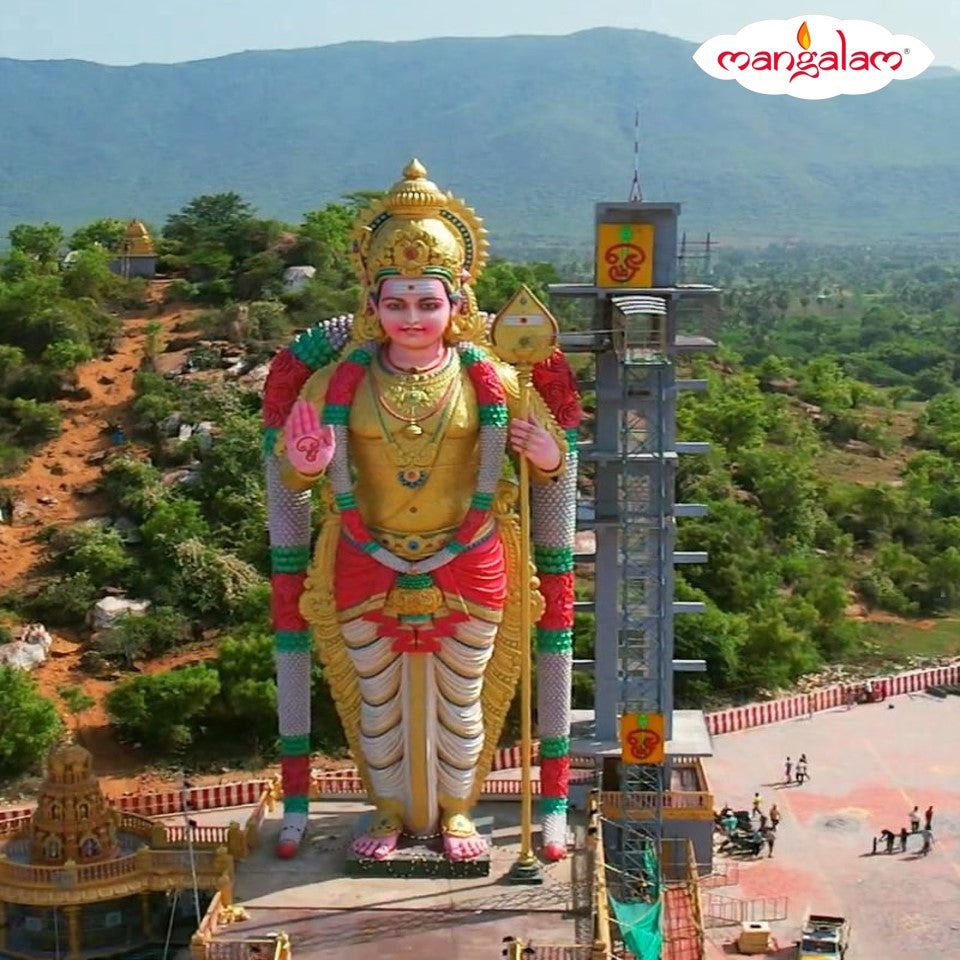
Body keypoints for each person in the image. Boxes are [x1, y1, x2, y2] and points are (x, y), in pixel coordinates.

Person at [267, 161, 577, 863]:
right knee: (377, 701)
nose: (412, 319)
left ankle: (457, 814)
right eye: (396, 303)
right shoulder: (332, 381)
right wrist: (305, 465)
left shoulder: (497, 377)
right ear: (371, 304)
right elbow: (293, 466)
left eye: (426, 303)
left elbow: (550, 464)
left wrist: (548, 455)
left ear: (457, 300)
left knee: (462, 699)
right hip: (361, 552)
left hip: (470, 556)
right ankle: (387, 811)